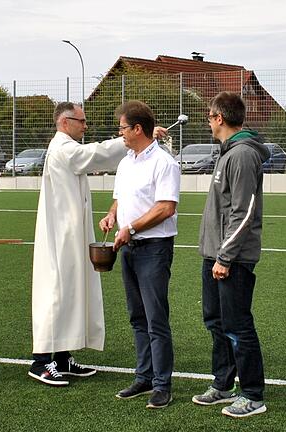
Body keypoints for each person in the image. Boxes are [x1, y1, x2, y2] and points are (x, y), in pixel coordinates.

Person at [28, 102, 130, 386]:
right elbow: (94, 155)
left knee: (72, 291)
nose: (86, 126)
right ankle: (40, 361)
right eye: (81, 121)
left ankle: (62, 357)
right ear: (64, 122)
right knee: (57, 292)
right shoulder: (63, 148)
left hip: (70, 234)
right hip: (60, 238)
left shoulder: (66, 147)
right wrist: (128, 139)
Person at [191, 91, 269, 418]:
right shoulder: (228, 153)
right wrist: (215, 255)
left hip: (232, 258)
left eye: (209, 117)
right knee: (216, 321)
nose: (208, 123)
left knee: (237, 325)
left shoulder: (242, 156)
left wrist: (225, 257)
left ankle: (252, 394)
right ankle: (222, 383)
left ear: (219, 118)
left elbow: (244, 211)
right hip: (216, 254)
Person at [99, 100, 180, 409]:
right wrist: (111, 217)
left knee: (156, 318)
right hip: (129, 249)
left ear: (137, 129)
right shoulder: (126, 162)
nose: (120, 133)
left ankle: (162, 384)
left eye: (122, 128)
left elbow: (166, 207)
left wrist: (130, 228)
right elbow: (119, 199)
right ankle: (144, 376)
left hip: (153, 250)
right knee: (137, 317)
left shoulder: (163, 162)